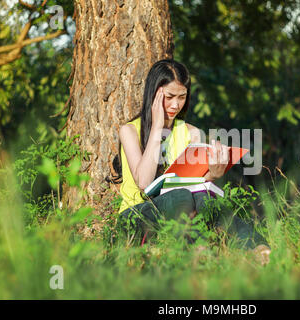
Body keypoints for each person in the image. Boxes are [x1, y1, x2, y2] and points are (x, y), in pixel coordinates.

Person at [116, 59, 270, 263]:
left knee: (205, 200)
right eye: (169, 97)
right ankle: (200, 251)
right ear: (154, 95)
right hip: (136, 216)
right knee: (181, 195)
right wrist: (157, 127)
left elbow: (198, 187)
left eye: (181, 97)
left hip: (182, 209)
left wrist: (213, 174)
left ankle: (258, 247)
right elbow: (143, 182)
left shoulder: (192, 133)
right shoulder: (129, 131)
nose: (175, 104)